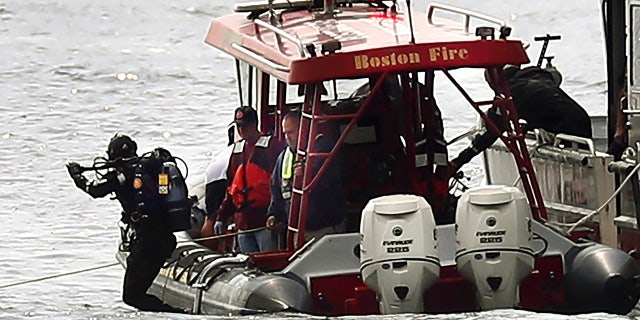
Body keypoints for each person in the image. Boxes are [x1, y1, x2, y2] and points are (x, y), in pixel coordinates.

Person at [65, 134, 183, 313]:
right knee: (136, 293)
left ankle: (179, 314)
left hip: (148, 242)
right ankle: (174, 312)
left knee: (133, 296)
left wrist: (76, 176)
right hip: (165, 238)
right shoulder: (151, 169)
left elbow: (94, 190)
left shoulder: (120, 176)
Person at [451, 65, 593, 169]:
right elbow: (542, 103)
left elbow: (492, 131)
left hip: (566, 129)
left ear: (495, 81)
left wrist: (460, 160)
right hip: (581, 119)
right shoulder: (537, 76)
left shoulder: (510, 93)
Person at [266, 111, 346, 244]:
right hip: (297, 231)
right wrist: (273, 214)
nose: (287, 137)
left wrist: (307, 174)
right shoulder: (283, 157)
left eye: (290, 132)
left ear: (303, 129)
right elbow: (277, 190)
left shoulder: (323, 150)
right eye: (285, 133)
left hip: (324, 229)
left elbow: (328, 182)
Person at [213, 106, 284, 253]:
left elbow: (280, 184)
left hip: (264, 222)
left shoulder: (271, 146)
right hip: (243, 224)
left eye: (244, 125)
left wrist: (277, 215)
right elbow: (232, 188)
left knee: (267, 263)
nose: (240, 129)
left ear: (254, 124)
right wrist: (222, 216)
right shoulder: (237, 150)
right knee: (248, 263)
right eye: (238, 125)